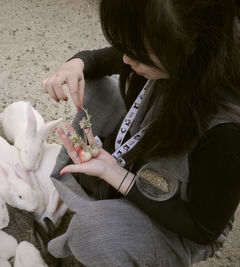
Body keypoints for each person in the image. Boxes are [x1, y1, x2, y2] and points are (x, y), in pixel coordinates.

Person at [41, 0, 240, 266]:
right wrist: (76, 64)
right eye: (124, 46)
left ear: (190, 42)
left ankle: (109, 224)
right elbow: (103, 59)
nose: (125, 58)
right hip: (148, 155)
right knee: (97, 85)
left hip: (183, 215)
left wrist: (117, 176)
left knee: (93, 234)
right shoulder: (175, 44)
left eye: (137, 51)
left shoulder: (227, 131)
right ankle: (104, 197)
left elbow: (203, 229)